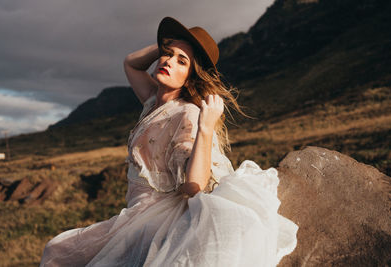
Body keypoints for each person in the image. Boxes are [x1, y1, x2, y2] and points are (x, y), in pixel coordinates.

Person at [39, 17, 298, 267]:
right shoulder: (154, 100)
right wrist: (173, 44)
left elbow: (193, 187)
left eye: (181, 61)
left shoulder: (186, 113)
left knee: (57, 252)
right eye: (167, 54)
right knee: (59, 251)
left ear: (190, 76)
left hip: (154, 218)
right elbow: (131, 64)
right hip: (135, 213)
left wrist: (206, 128)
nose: (169, 61)